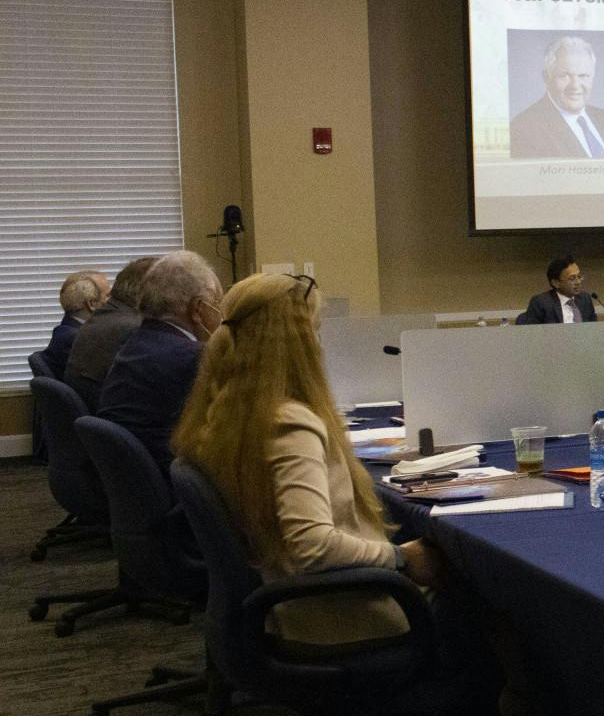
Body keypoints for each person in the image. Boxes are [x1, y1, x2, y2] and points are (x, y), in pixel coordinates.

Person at [173, 273, 447, 650]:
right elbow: (313, 545)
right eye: (316, 332)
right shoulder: (289, 423)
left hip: (287, 606)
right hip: (340, 615)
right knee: (489, 595)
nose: (320, 345)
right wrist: (401, 557)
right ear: (297, 344)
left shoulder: (223, 415)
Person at [97, 251, 222, 480]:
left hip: (129, 478)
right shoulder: (192, 356)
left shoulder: (135, 342)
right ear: (197, 309)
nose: (219, 313)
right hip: (170, 479)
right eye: (216, 304)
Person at [510, 36, 604, 161]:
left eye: (583, 76)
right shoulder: (524, 128)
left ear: (593, 78)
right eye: (565, 75)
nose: (575, 86)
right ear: (546, 78)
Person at [65, 255, 160, 408]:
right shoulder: (134, 328)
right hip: (111, 413)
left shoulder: (101, 317)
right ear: (148, 292)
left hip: (95, 411)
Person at [39, 270, 110, 379]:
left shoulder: (65, 332)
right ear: (92, 304)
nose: (112, 301)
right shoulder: (78, 340)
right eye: (108, 295)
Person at [518, 257, 597, 325]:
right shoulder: (541, 303)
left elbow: (593, 329)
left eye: (579, 276)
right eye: (572, 278)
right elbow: (532, 333)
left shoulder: (585, 299)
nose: (578, 282)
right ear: (556, 283)